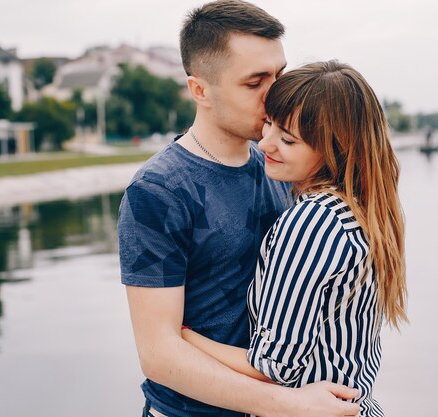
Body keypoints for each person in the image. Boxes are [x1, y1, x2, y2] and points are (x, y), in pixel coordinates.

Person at [118, 1, 360, 416]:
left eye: (280, 75)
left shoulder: (283, 164)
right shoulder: (158, 191)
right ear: (199, 90)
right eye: (255, 82)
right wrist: (287, 404)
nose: (278, 93)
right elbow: (158, 353)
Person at [181, 61, 408, 416]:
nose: (266, 143)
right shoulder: (362, 210)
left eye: (288, 139)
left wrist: (185, 338)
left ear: (334, 149)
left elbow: (275, 369)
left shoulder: (312, 222)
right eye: (269, 124)